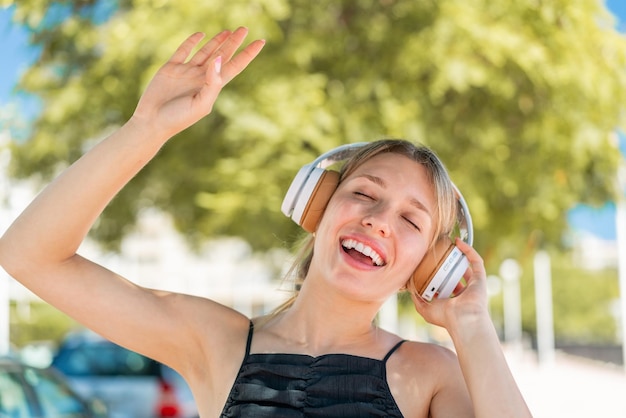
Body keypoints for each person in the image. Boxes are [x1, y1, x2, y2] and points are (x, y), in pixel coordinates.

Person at [0, 27, 532, 417]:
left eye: (411, 222)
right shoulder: (214, 340)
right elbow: (28, 254)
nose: (378, 221)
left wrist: (470, 324)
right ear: (316, 208)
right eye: (365, 193)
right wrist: (146, 128)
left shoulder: (432, 373)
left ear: (427, 268)